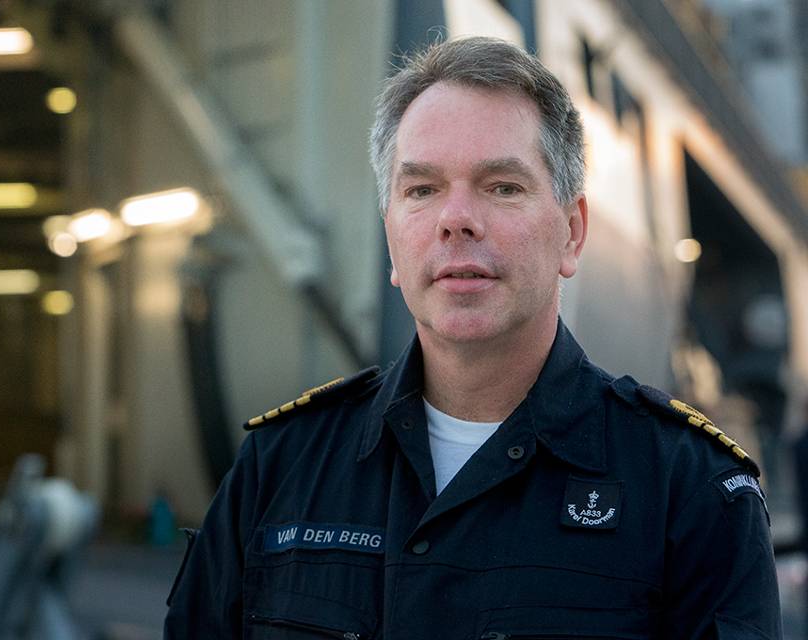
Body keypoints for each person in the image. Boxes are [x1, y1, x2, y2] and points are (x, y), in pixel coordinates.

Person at [163, 37, 780, 639]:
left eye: (502, 187)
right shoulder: (280, 466)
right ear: (391, 240)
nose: (455, 219)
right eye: (422, 190)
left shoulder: (690, 490)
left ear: (571, 232)